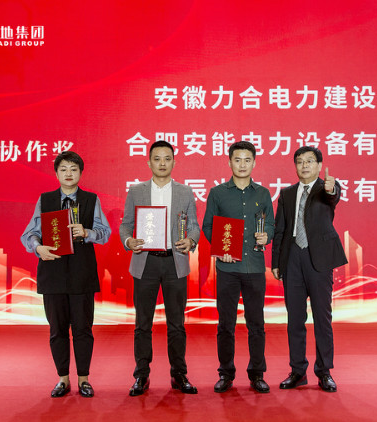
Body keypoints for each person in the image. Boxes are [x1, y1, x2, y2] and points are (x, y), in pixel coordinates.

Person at [20, 150, 111, 398]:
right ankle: (62, 379)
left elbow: (105, 233)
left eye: (73, 169)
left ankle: (84, 379)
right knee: (57, 329)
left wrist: (87, 233)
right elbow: (29, 233)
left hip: (82, 273)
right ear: (56, 173)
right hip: (53, 273)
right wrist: (38, 247)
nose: (68, 174)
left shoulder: (91, 200)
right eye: (63, 169)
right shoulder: (46, 199)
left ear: (81, 173)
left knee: (83, 329)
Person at [119, 140, 201, 396]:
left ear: (174, 162)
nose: (162, 163)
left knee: (177, 323)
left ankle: (179, 374)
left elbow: (194, 226)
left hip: (175, 261)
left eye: (167, 158)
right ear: (149, 162)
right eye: (157, 159)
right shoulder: (137, 191)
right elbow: (126, 225)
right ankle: (141, 375)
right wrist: (128, 241)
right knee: (143, 323)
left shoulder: (185, 192)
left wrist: (191, 241)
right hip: (145, 262)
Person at [271, 146, 347, 393]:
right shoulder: (286, 193)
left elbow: (333, 195)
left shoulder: (326, 188)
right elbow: (280, 230)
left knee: (322, 318)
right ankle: (298, 371)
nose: (304, 166)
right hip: (292, 257)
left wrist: (331, 188)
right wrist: (276, 262)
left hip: (319, 259)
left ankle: (324, 371)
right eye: (300, 162)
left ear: (319, 165)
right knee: (294, 318)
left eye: (310, 161)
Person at [202, 141, 274, 394]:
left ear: (254, 162)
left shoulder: (263, 194)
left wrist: (267, 236)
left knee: (257, 324)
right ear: (229, 162)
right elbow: (208, 226)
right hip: (227, 269)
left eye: (247, 160)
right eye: (237, 159)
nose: (242, 165)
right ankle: (226, 373)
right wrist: (220, 248)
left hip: (254, 267)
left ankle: (257, 374)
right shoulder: (218, 193)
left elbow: (271, 225)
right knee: (226, 324)